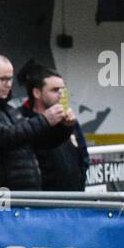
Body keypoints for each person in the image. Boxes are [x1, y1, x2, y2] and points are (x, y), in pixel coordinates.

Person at [0, 54, 71, 191]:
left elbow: (37, 142)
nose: (8, 84)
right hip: (2, 195)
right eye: (3, 79)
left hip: (23, 192)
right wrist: (44, 120)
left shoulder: (8, 109)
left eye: (10, 79)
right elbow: (2, 137)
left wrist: (65, 127)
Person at [19, 64, 88, 192]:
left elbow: (83, 155)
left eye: (63, 90)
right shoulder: (23, 121)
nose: (61, 95)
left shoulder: (69, 121)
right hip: (43, 201)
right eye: (55, 90)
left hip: (74, 199)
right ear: (37, 93)